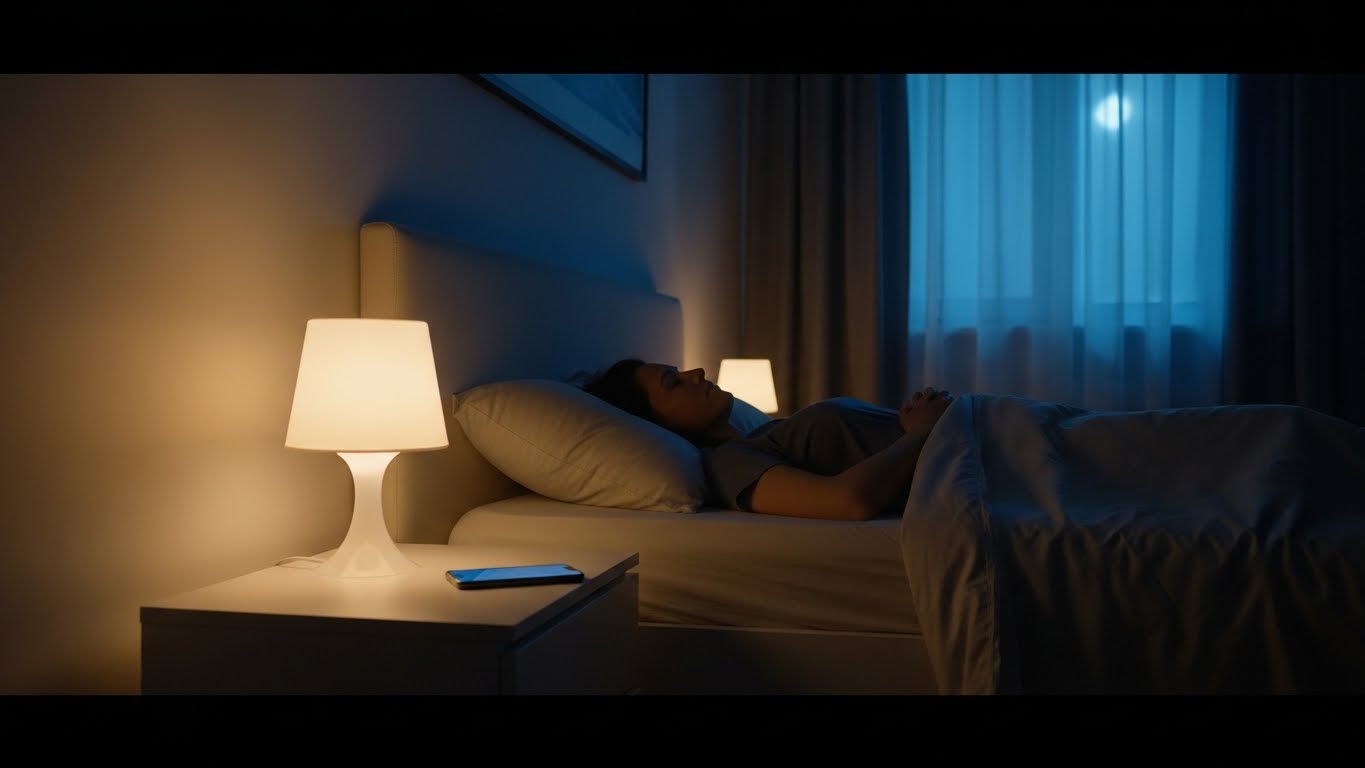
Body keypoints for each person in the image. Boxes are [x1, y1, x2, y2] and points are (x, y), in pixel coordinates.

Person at [579, 358, 954, 521]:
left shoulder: (761, 433)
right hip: (961, 461)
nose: (696, 371)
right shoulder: (728, 462)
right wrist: (922, 431)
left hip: (970, 437)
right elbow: (848, 502)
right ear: (656, 423)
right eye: (673, 382)